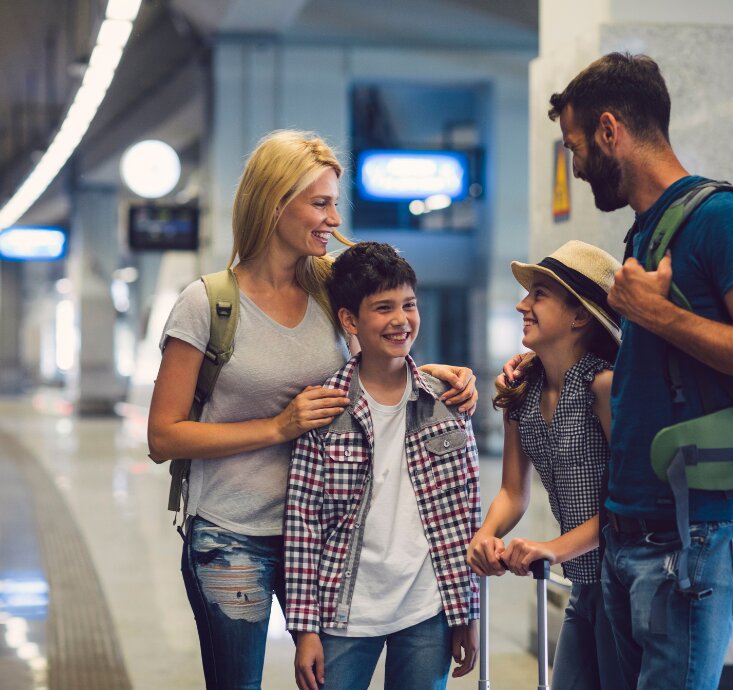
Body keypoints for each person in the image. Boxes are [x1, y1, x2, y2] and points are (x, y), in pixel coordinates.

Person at [506, 53, 733, 689]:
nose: (576, 165)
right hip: (630, 534)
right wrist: (539, 365)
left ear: (611, 131)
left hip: (693, 536)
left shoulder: (719, 219)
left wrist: (658, 315)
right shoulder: (647, 234)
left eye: (576, 147)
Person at [147, 131, 477, 690]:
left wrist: (435, 374)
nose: (332, 218)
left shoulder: (329, 290)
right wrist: (278, 426)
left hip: (328, 538)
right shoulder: (208, 304)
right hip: (233, 534)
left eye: (333, 204)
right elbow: (164, 436)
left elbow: (374, 363)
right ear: (275, 204)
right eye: (319, 203)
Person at [284, 242, 480, 690]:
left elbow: (465, 515)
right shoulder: (325, 408)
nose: (400, 319)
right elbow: (302, 524)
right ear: (350, 320)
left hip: (427, 610)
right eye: (383, 308)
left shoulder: (447, 401)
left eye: (409, 305)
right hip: (344, 610)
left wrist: (466, 610)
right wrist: (305, 628)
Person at [467, 240, 624, 689]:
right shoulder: (523, 390)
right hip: (585, 586)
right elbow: (514, 492)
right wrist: (486, 533)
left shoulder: (604, 386)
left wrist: (554, 548)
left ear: (579, 316)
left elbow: (630, 504)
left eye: (538, 294)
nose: (522, 304)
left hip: (626, 584)